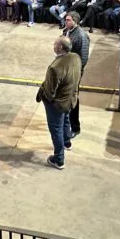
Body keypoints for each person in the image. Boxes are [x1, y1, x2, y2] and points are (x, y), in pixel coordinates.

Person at [37, 36, 82, 170]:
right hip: (70, 99)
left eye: (55, 43)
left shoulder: (55, 68)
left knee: (56, 129)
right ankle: (67, 143)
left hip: (57, 104)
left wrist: (44, 97)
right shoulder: (75, 58)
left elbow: (50, 92)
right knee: (66, 120)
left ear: (60, 47)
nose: (53, 45)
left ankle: (59, 159)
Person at [63, 11, 90, 137]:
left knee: (73, 98)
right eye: (66, 20)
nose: (66, 22)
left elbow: (84, 58)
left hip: (74, 71)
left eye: (68, 20)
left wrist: (76, 72)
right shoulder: (67, 31)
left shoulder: (81, 36)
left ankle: (75, 127)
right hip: (66, 69)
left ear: (75, 21)